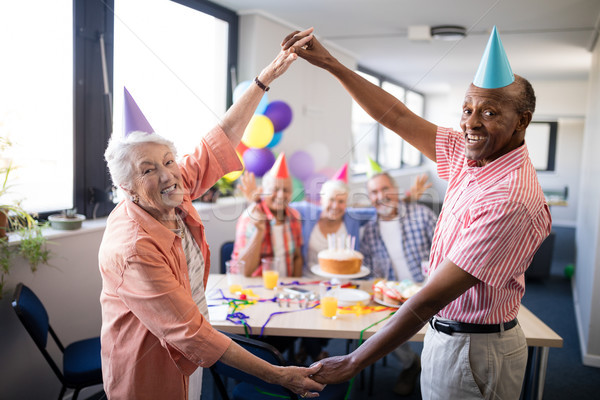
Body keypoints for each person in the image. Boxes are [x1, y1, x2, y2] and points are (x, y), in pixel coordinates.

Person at [282, 26, 552, 399]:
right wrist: (331, 64)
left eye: (489, 112)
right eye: (468, 109)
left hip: (474, 348)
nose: (471, 123)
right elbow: (397, 117)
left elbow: (428, 298)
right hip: (445, 334)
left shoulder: (508, 198)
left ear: (521, 121)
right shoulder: (469, 155)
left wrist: (353, 361)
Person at [98, 30, 325, 400]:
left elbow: (218, 141)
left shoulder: (172, 190)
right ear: (126, 187)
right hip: (151, 369)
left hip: (193, 358)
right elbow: (192, 333)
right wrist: (279, 375)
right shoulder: (132, 248)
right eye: (148, 169)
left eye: (168, 161)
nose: (168, 174)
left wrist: (263, 80)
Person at [361, 171, 436, 395]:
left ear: (396, 191)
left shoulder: (422, 215)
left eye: (385, 189)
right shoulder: (369, 232)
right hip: (393, 298)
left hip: (430, 290)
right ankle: (410, 364)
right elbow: (368, 273)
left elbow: (447, 252)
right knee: (372, 323)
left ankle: (434, 370)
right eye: (374, 192)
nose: (381, 195)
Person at [232, 152, 303, 278]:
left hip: (286, 290)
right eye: (275, 189)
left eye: (286, 190)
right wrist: (259, 231)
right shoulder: (249, 218)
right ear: (263, 191)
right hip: (256, 290)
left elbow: (297, 257)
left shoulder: (294, 216)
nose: (281, 195)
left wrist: (296, 286)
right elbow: (243, 271)